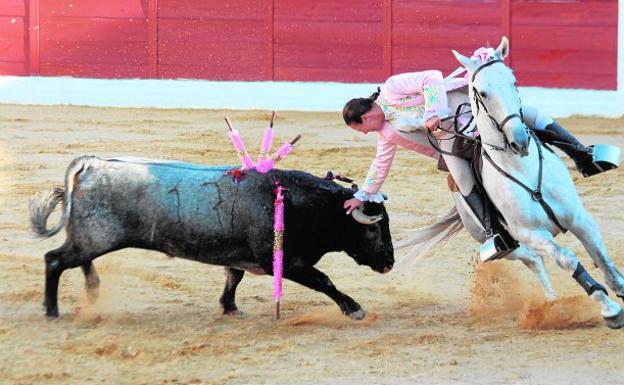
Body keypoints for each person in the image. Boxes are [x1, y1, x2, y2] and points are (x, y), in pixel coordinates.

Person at [341, 53, 620, 262]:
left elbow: (432, 77)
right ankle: (494, 232)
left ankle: (584, 156)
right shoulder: (387, 134)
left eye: (360, 129)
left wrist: (433, 112)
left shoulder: (391, 87)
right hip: (453, 144)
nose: (366, 133)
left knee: (532, 115)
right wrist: (363, 195)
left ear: (365, 117)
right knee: (461, 180)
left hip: (469, 109)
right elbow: (380, 164)